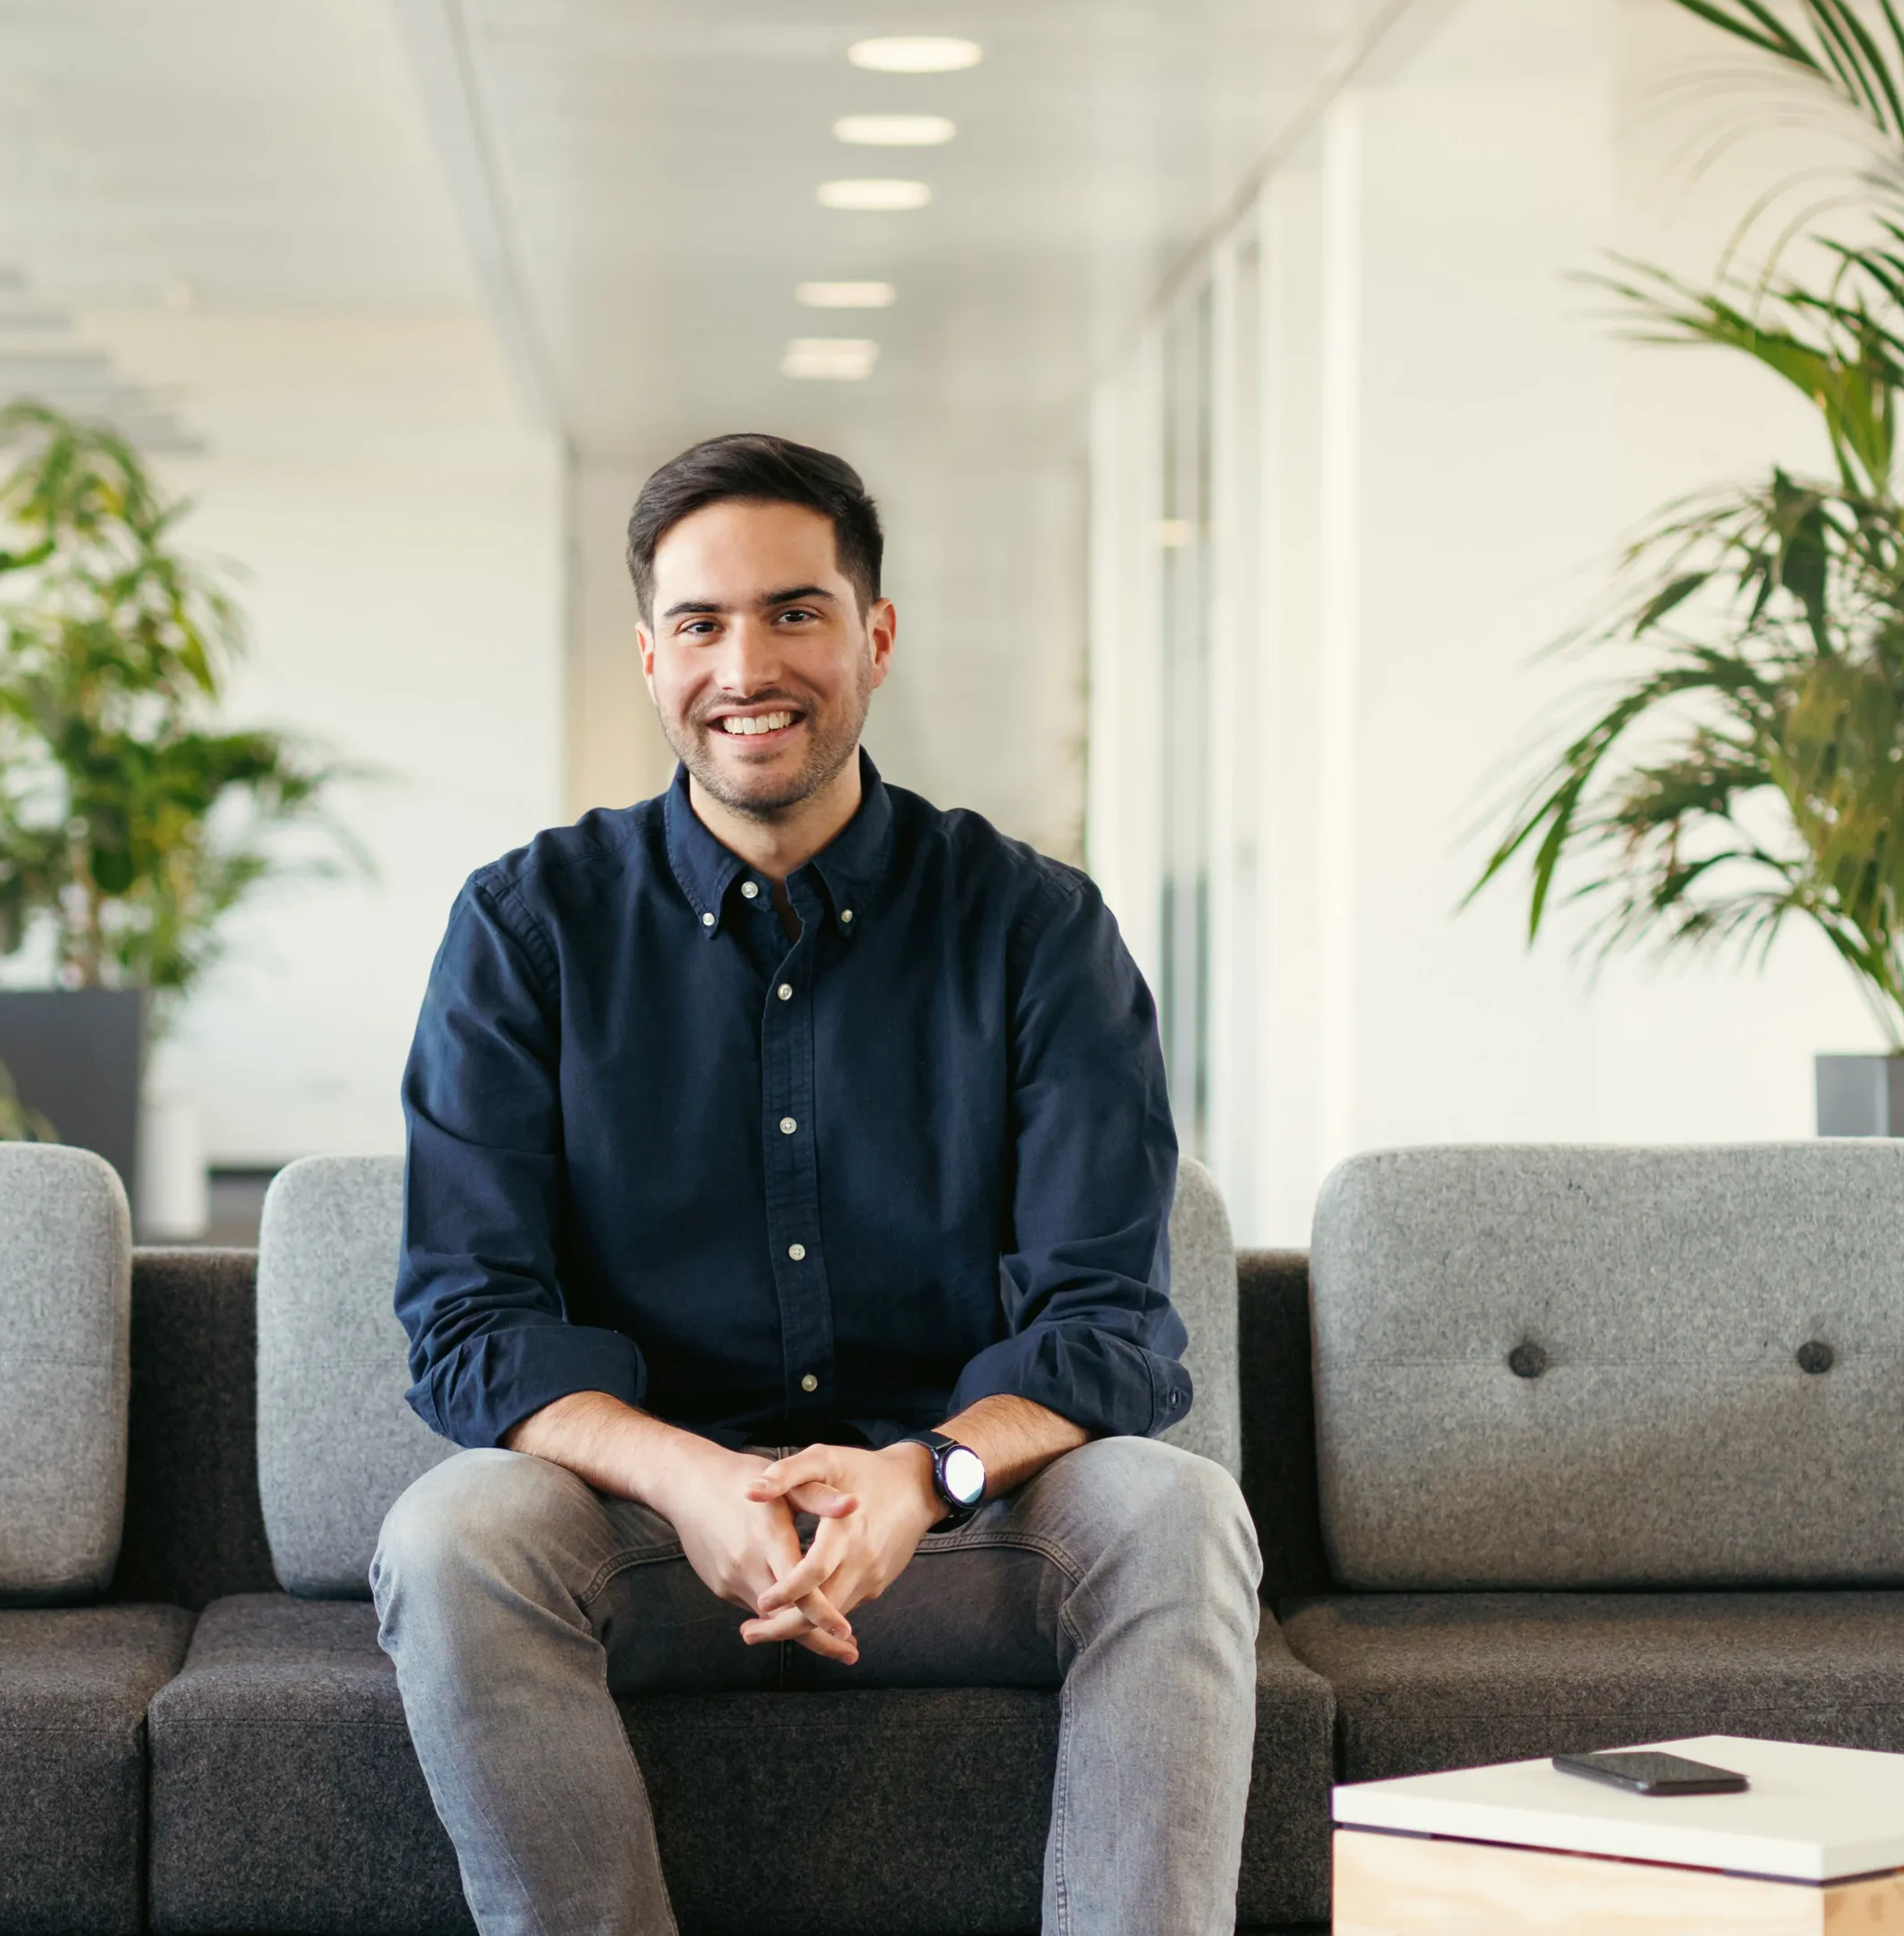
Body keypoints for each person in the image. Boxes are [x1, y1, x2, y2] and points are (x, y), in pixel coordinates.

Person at [376, 433, 1260, 1935]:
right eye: (705, 624)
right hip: (654, 1530)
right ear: (652, 656)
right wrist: (687, 1474)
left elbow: (1109, 1324)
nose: (748, 666)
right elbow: (469, 1322)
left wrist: (923, 1475)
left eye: (795, 613)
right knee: (450, 1536)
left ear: (875, 636)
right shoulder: (528, 930)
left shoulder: (1037, 930)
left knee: (1179, 1514)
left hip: (965, 1521)